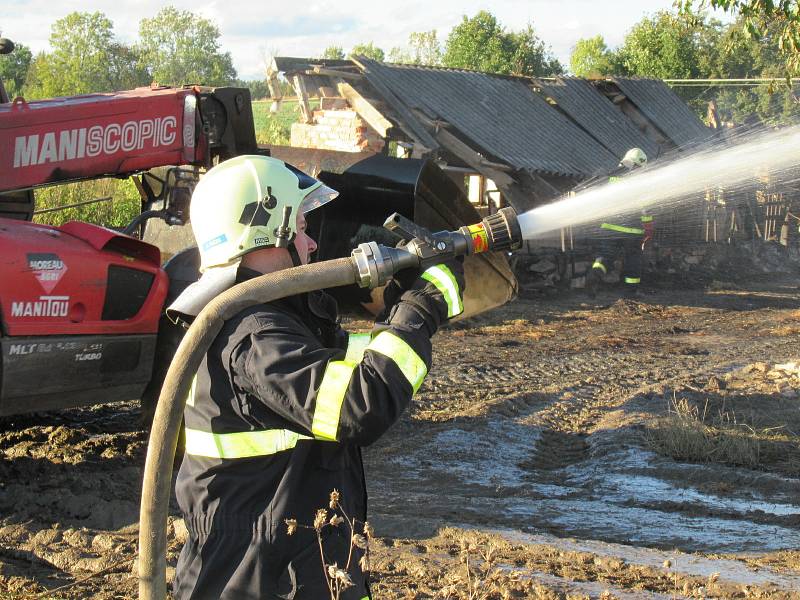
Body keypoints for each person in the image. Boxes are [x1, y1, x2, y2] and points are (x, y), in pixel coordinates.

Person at [166, 155, 465, 600]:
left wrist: (398, 313)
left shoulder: (263, 321)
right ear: (270, 234)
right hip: (257, 578)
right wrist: (420, 310)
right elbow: (360, 405)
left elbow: (352, 366)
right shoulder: (255, 337)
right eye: (302, 228)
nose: (310, 245)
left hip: (282, 562)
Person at [586, 148, 654, 299]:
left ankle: (594, 275)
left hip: (609, 228)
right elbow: (645, 209)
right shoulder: (642, 182)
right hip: (632, 231)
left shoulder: (610, 176)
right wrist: (648, 229)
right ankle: (631, 292)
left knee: (606, 256)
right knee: (633, 259)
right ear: (639, 165)